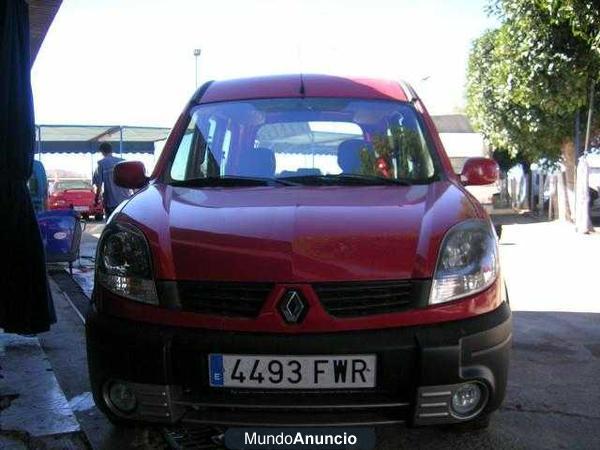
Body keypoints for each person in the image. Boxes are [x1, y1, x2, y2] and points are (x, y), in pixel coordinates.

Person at [93, 143, 131, 218]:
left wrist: (96, 200)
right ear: (111, 150)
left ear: (102, 152)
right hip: (125, 201)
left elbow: (99, 186)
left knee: (112, 225)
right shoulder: (122, 162)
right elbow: (130, 182)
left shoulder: (101, 164)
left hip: (111, 202)